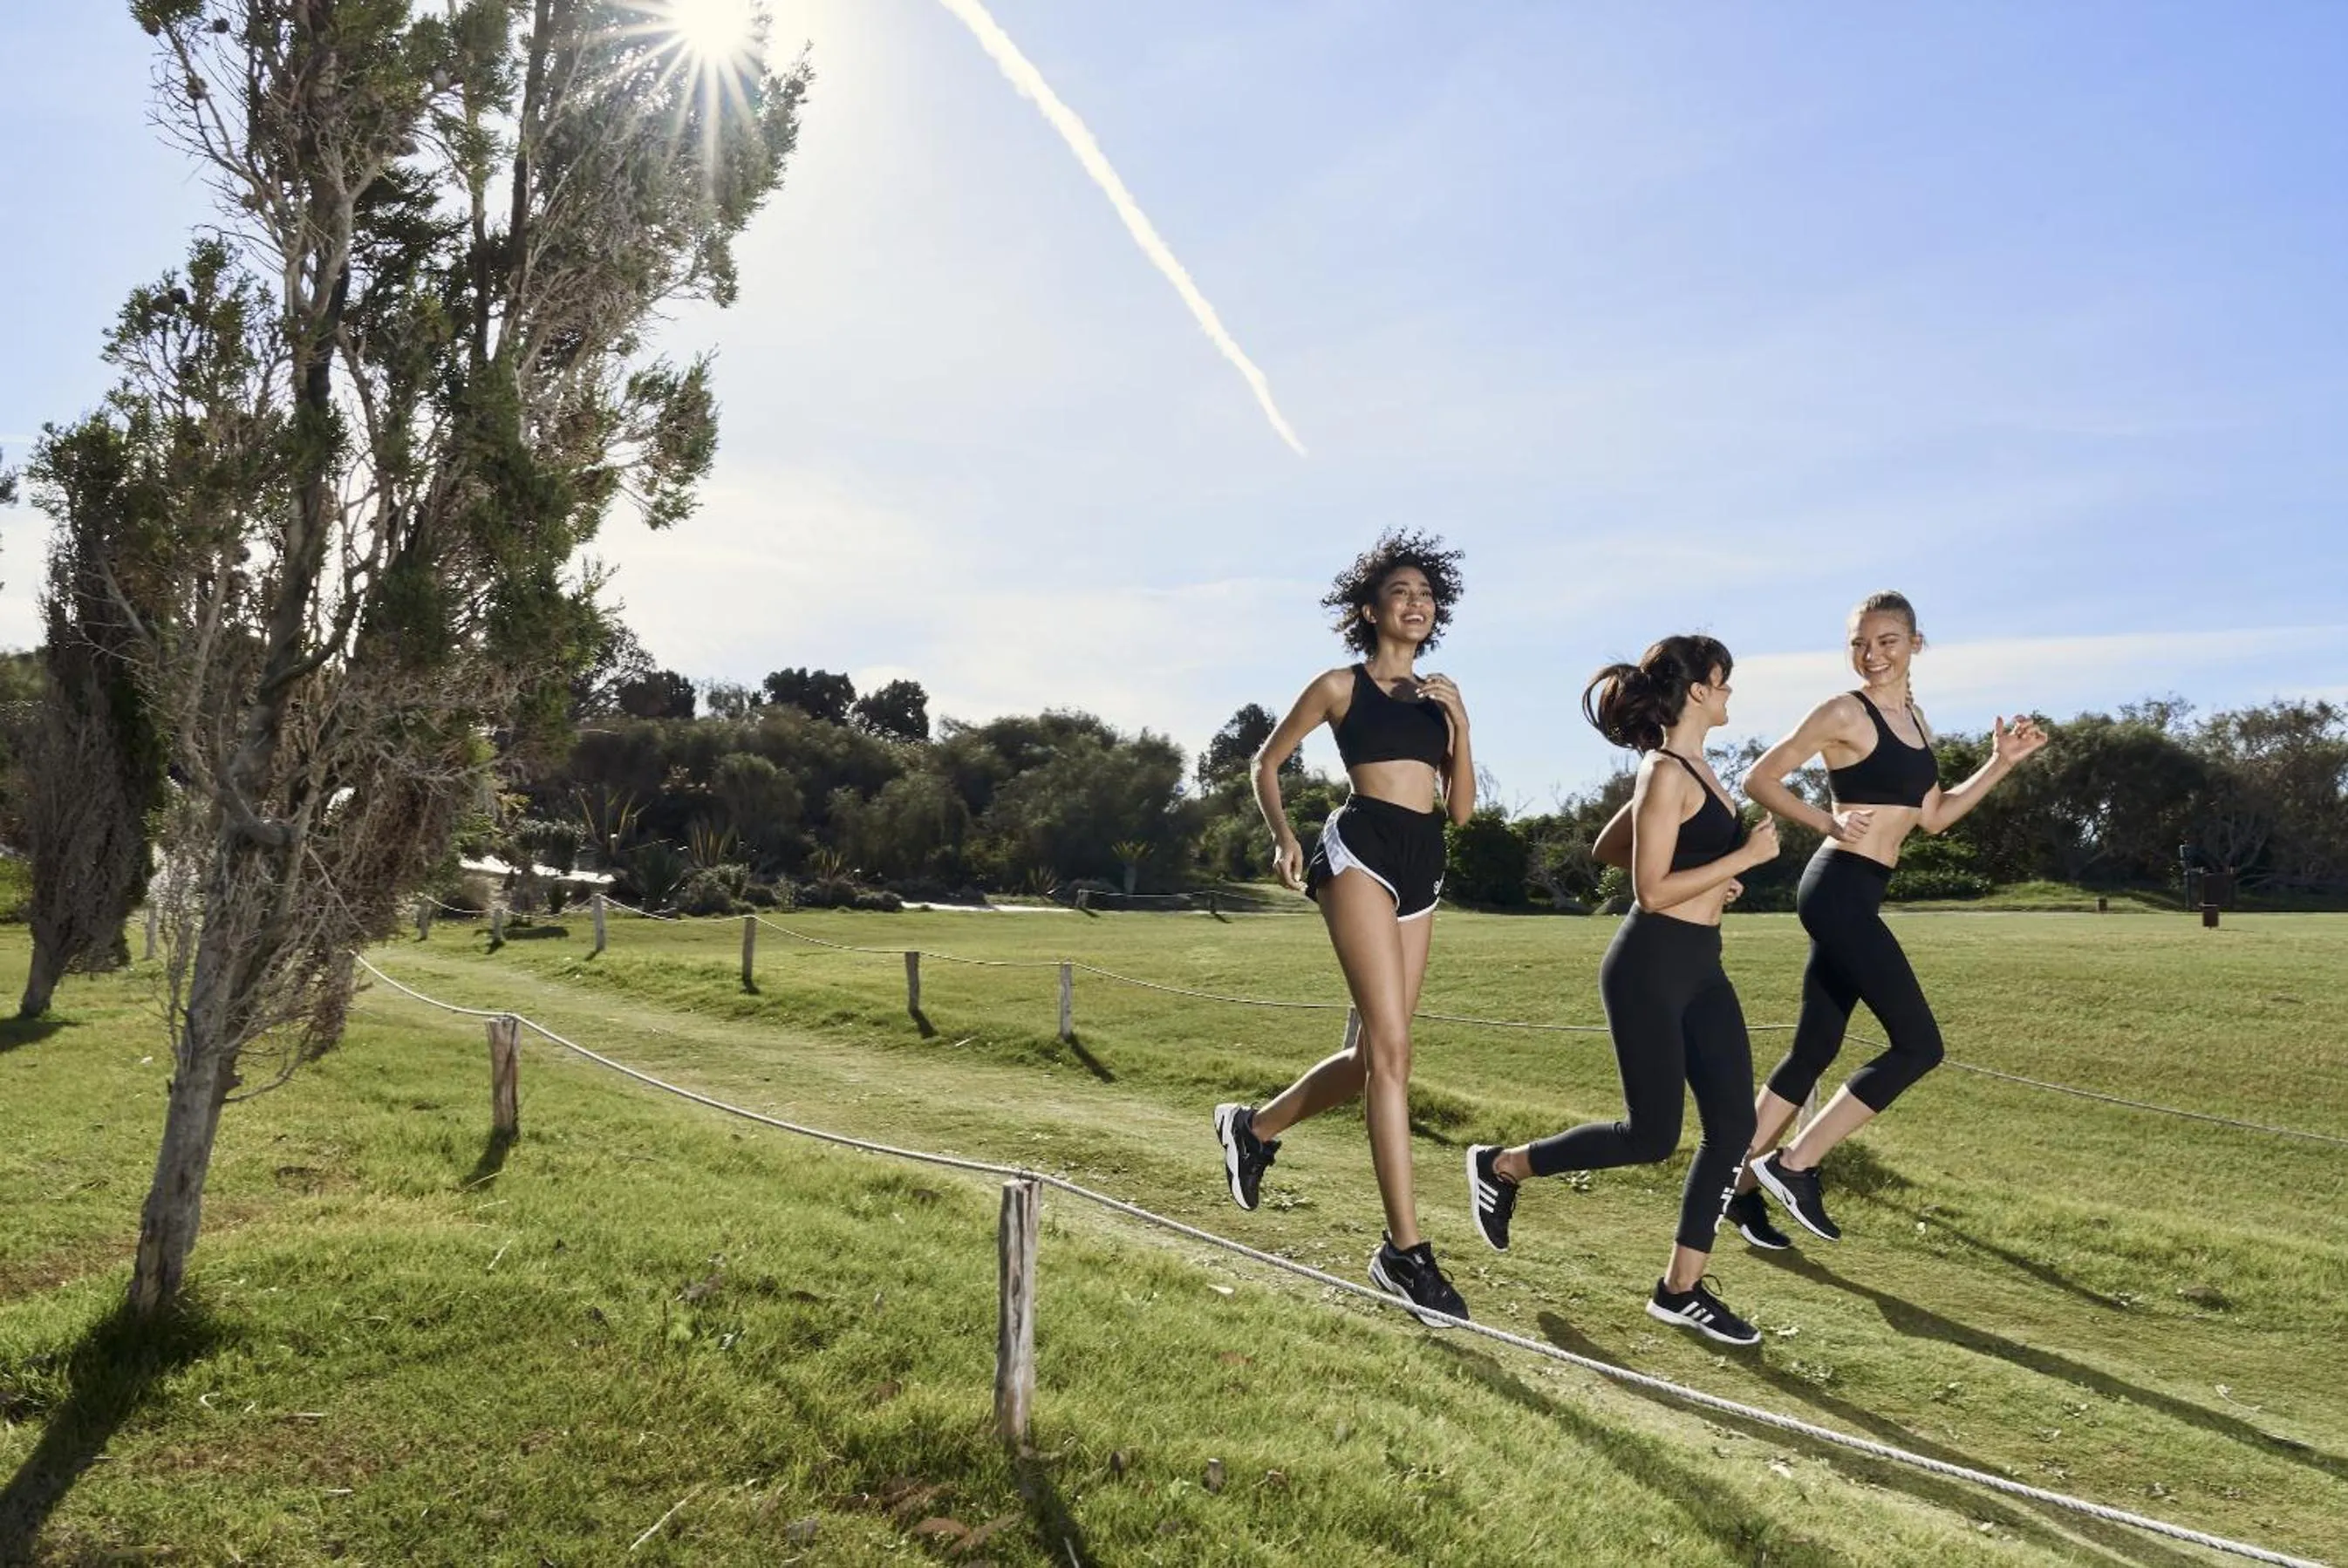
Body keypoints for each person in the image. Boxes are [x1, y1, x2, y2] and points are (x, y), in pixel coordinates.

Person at [1464, 636, 1779, 1346]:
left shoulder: (1699, 768)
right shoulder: (1664, 772)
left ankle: (1680, 1290)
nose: (1730, 692)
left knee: (1734, 1126)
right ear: (1698, 690)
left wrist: (1715, 876)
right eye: (1724, 681)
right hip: (1649, 965)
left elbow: (1616, 846)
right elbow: (1651, 889)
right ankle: (1503, 1166)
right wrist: (1742, 857)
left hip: (1702, 964)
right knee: (1651, 1136)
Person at [1727, 591, 2048, 1247]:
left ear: (1915, 644)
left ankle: (1726, 1192)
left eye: (1887, 641)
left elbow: (1934, 816)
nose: (1872, 654)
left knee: (1814, 1049)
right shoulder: (1844, 711)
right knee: (1919, 1046)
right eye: (1860, 643)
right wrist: (1826, 821)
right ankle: (1793, 1165)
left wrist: (2000, 763)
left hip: (1861, 892)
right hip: (1837, 887)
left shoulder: (1917, 721)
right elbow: (1760, 778)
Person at [1212, 529, 1477, 1325]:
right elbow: (1266, 761)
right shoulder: (1339, 685)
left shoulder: (1439, 698)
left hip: (1423, 863)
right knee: (1394, 1054)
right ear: (1370, 609)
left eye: (1426, 595)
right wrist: (1283, 837)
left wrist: (1463, 726)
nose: (1416, 604)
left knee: (1373, 1058)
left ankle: (1254, 1128)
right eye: (1401, 592)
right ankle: (1406, 1252)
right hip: (1359, 849)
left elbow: (1462, 810)